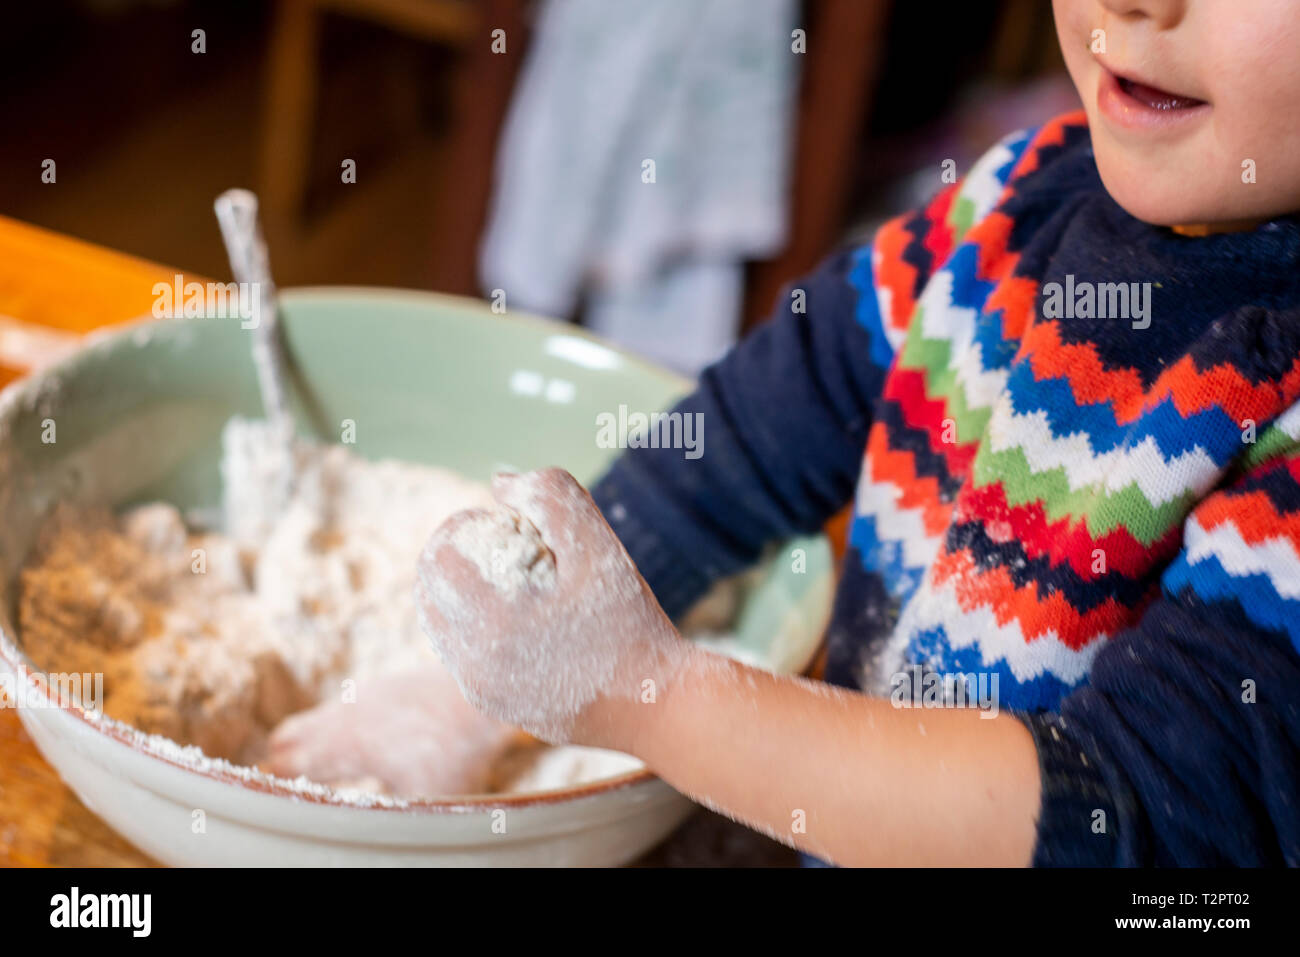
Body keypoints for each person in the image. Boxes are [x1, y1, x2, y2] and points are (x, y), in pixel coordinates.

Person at [416, 0, 1300, 867]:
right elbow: (753, 430)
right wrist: (486, 696)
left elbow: (1133, 819)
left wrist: (653, 695)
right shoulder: (1008, 207)